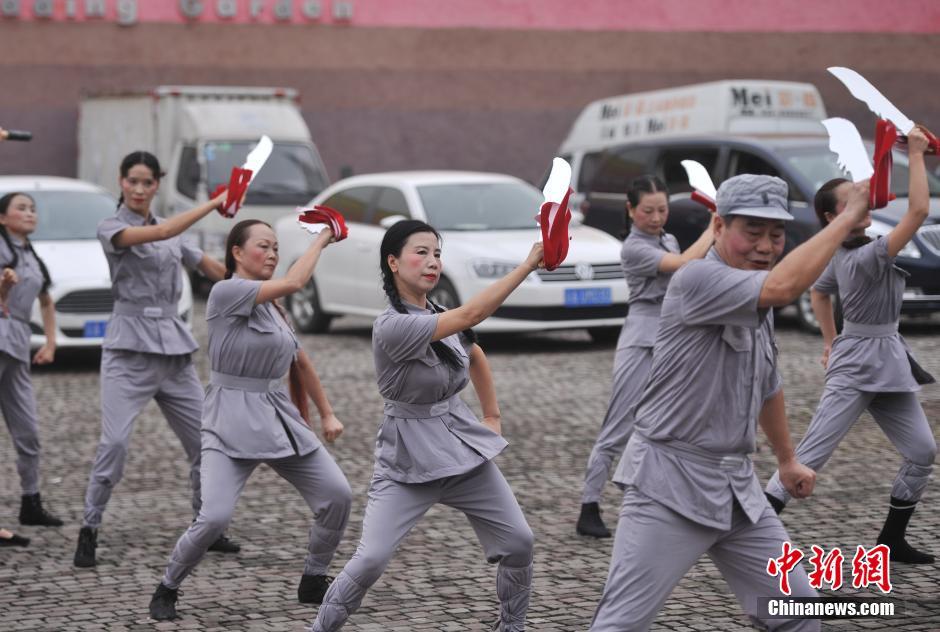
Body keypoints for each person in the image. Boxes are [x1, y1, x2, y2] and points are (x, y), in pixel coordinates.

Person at [590, 174, 872, 631]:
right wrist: (846, 220)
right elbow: (784, 287)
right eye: (752, 232)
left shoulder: (754, 288)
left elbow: (767, 382)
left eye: (776, 234)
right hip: (669, 484)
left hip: (738, 490)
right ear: (718, 226)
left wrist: (787, 460)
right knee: (621, 624)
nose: (765, 246)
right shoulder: (698, 277)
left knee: (799, 609)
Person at [312, 220, 541, 632]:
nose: (433, 261)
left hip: (460, 449)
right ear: (393, 262)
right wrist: (527, 265)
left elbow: (475, 354)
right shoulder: (392, 325)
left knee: (519, 541)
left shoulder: (438, 313)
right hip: (406, 460)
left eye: (437, 253)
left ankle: (511, 627)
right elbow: (473, 313)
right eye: (421, 252)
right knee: (370, 559)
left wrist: (492, 416)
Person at [148, 219, 352, 621]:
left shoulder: (275, 308)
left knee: (337, 495)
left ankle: (313, 577)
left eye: (276, 247)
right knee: (214, 517)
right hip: (229, 419)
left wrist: (327, 412)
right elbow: (296, 281)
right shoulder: (226, 291)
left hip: (277, 416)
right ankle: (168, 586)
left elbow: (300, 361)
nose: (272, 254)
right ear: (237, 252)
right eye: (264, 246)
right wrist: (323, 238)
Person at [764, 127, 936, 564]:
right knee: (807, 458)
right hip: (858, 365)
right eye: (851, 198)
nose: (863, 197)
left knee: (922, 451)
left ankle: (891, 540)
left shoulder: (847, 251)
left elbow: (819, 292)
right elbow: (917, 211)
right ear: (831, 217)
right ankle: (749, 537)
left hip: (887, 359)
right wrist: (916, 155)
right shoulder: (863, 255)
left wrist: (830, 341)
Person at [74, 151, 236, 568]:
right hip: (128, 351)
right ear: (121, 181)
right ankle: (90, 526)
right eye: (133, 181)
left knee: (206, 442)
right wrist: (214, 203)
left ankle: (207, 525)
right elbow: (164, 230)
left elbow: (212, 267)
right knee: (114, 443)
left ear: (157, 185)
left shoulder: (172, 233)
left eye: (148, 182)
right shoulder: (111, 226)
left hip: (174, 351)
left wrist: (256, 288)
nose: (140, 189)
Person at [577, 176, 714, 538]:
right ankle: (589, 505)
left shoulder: (667, 239)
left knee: (671, 423)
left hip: (673, 338)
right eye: (648, 211)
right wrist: (715, 227)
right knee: (618, 424)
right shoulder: (633, 248)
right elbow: (683, 264)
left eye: (662, 210)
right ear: (630, 210)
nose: (656, 218)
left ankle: (658, 498)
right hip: (640, 340)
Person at [0, 192, 62, 531]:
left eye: (33, 209)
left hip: (17, 345)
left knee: (29, 430)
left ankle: (31, 502)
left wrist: (50, 342)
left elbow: (46, 301)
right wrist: (3, 287)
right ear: (2, 218)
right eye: (21, 208)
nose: (29, 213)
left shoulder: (32, 256)